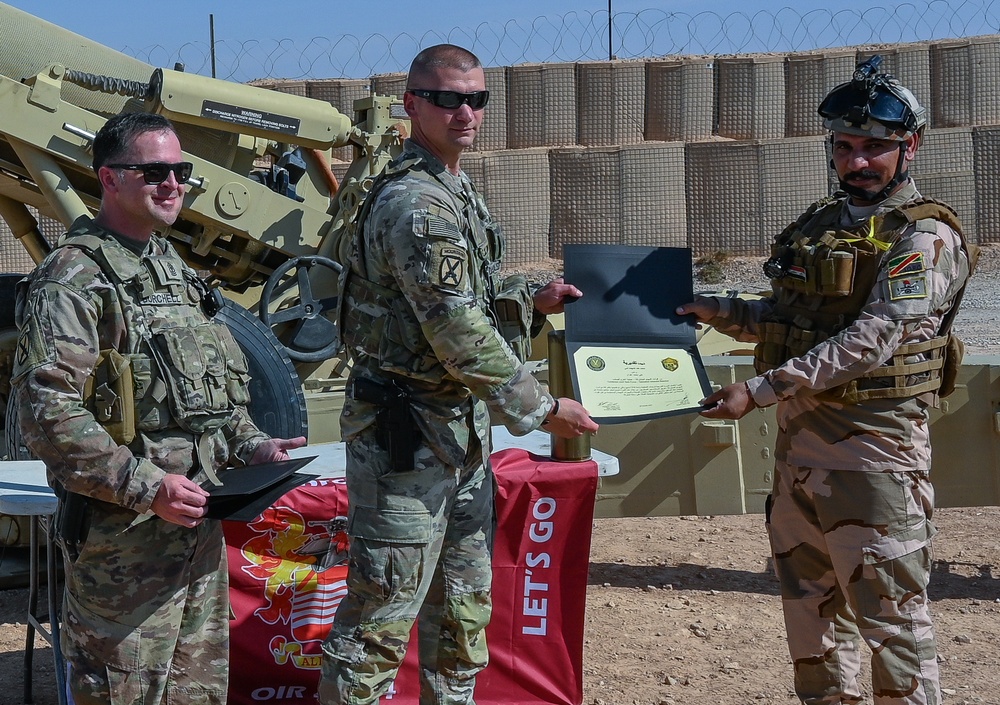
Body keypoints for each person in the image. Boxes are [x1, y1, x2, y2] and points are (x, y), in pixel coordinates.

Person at [677, 56, 975, 705]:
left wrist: (756, 392)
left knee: (892, 624)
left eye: (875, 148)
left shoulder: (924, 237)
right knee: (811, 623)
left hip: (876, 461)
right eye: (846, 147)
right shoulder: (824, 226)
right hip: (800, 461)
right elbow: (789, 321)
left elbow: (871, 340)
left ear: (909, 147)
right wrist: (720, 310)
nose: (859, 161)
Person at [318, 44, 599, 705]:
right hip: (405, 440)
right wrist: (541, 406)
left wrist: (530, 301)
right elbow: (456, 332)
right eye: (447, 98)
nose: (465, 111)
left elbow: (463, 296)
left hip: (458, 438)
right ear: (413, 104)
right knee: (378, 625)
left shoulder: (454, 187)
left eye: (476, 98)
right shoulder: (419, 204)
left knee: (461, 615)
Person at [12, 112, 306, 704]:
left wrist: (253, 446)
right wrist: (149, 487)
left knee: (196, 693)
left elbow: (212, 395)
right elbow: (47, 411)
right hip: (124, 544)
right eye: (154, 172)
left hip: (196, 534)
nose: (172, 184)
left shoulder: (172, 271)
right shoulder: (74, 279)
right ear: (110, 179)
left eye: (180, 171)